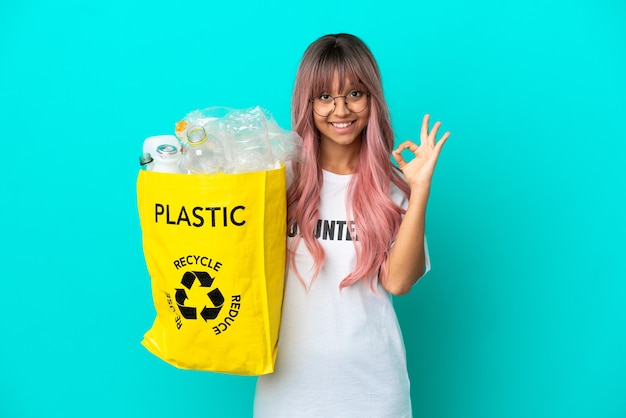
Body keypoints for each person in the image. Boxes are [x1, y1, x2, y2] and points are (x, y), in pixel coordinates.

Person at [254, 33, 450, 418]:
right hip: (287, 395)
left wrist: (419, 188)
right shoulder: (279, 182)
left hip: (374, 394)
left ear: (372, 99)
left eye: (355, 94)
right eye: (325, 96)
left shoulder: (392, 189)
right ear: (307, 103)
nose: (340, 110)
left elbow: (399, 282)